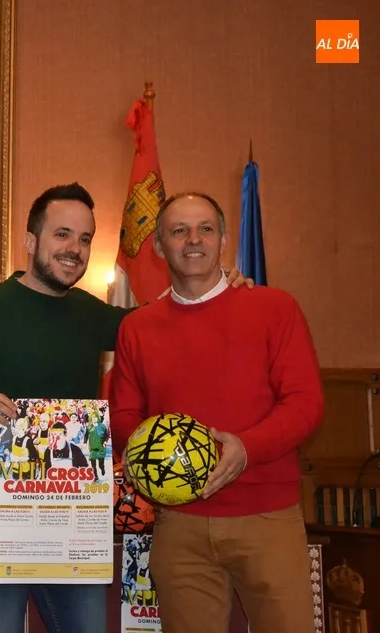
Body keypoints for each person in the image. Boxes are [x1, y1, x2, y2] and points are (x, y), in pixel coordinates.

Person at [0, 184, 251, 633]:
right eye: (62, 234)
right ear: (30, 241)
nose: (74, 249)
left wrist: (218, 289)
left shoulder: (91, 313)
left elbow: (164, 323)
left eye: (85, 239)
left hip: (75, 508)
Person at [109, 192, 323, 633]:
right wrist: (150, 454)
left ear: (223, 240)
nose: (194, 239)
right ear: (158, 246)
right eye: (179, 230)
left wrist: (247, 448)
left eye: (205, 228)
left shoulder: (275, 308)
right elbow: (125, 415)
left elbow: (306, 403)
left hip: (268, 518)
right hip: (179, 524)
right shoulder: (136, 327)